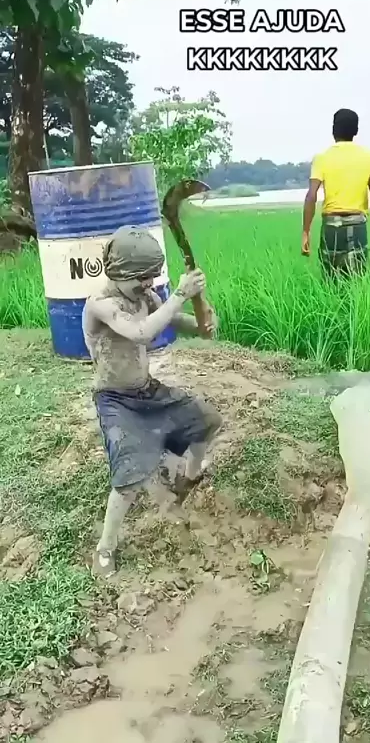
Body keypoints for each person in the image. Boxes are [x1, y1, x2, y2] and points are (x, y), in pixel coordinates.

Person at [82, 225, 222, 577]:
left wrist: (203, 318)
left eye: (151, 277)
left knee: (205, 420)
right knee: (130, 474)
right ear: (120, 272)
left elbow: (180, 322)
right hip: (115, 399)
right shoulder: (101, 304)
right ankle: (105, 548)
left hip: (147, 389)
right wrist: (180, 292)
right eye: (142, 278)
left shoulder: (145, 297)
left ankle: (188, 479)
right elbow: (142, 332)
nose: (148, 284)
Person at [301, 109, 370, 275]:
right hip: (357, 225)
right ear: (356, 131)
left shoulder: (322, 158)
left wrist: (306, 233)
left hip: (330, 227)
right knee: (357, 282)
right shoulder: (369, 157)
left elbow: (311, 196)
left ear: (333, 130)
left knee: (330, 282)